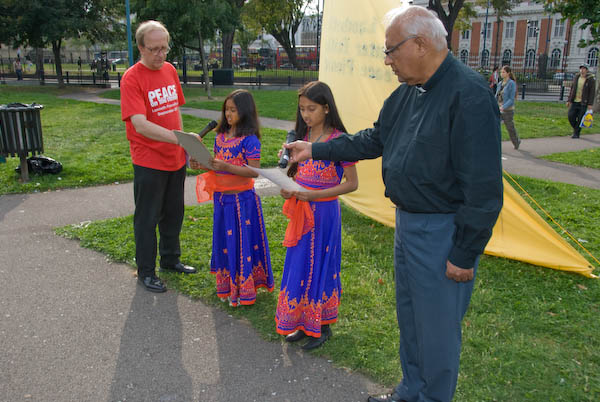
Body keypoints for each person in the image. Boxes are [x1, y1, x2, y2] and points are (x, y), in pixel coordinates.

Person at [284, 6, 502, 402]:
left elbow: (484, 190)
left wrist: (464, 253)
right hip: (407, 224)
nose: (387, 61)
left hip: (442, 230)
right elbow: (372, 140)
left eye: (391, 51)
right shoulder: (406, 93)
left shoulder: (468, 95)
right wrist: (315, 148)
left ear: (420, 45)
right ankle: (410, 391)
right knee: (412, 320)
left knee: (436, 330)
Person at [275, 81, 358, 350]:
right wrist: (288, 190)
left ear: (326, 108)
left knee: (322, 266)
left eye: (311, 109)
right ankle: (300, 322)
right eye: (301, 109)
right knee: (300, 266)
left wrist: (315, 196)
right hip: (301, 213)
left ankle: (321, 326)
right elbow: (294, 178)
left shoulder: (339, 141)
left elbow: (351, 184)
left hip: (324, 214)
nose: (306, 115)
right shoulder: (300, 139)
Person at [120, 20, 197, 293]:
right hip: (148, 160)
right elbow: (140, 124)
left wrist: (184, 145)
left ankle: (170, 259)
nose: (160, 54)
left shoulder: (170, 70)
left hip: (174, 158)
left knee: (174, 213)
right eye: (153, 49)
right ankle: (146, 271)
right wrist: (180, 138)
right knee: (147, 218)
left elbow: (174, 113)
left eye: (164, 48)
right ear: (141, 48)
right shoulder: (131, 78)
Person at [192, 90, 274, 307]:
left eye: (233, 110)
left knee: (243, 243)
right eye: (226, 110)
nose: (228, 114)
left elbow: (254, 172)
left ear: (244, 112)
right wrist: (201, 164)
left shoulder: (250, 140)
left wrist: (228, 166)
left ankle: (245, 287)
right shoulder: (220, 137)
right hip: (222, 200)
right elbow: (216, 166)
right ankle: (228, 285)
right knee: (225, 243)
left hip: (242, 202)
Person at [567, 63, 596, 139]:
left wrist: (590, 104)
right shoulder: (577, 77)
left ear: (587, 70)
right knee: (570, 116)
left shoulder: (590, 79)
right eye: (581, 68)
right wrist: (569, 100)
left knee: (580, 118)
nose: (582, 70)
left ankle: (576, 133)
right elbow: (572, 89)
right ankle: (576, 129)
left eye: (584, 69)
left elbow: (592, 92)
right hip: (575, 101)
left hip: (583, 102)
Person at [496, 65, 521, 149]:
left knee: (510, 128)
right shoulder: (500, 83)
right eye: (501, 72)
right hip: (498, 109)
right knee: (495, 126)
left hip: (507, 110)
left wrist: (503, 107)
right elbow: (497, 95)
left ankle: (516, 141)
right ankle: (495, 144)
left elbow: (511, 99)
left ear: (508, 73)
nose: (501, 74)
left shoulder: (511, 84)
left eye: (503, 72)